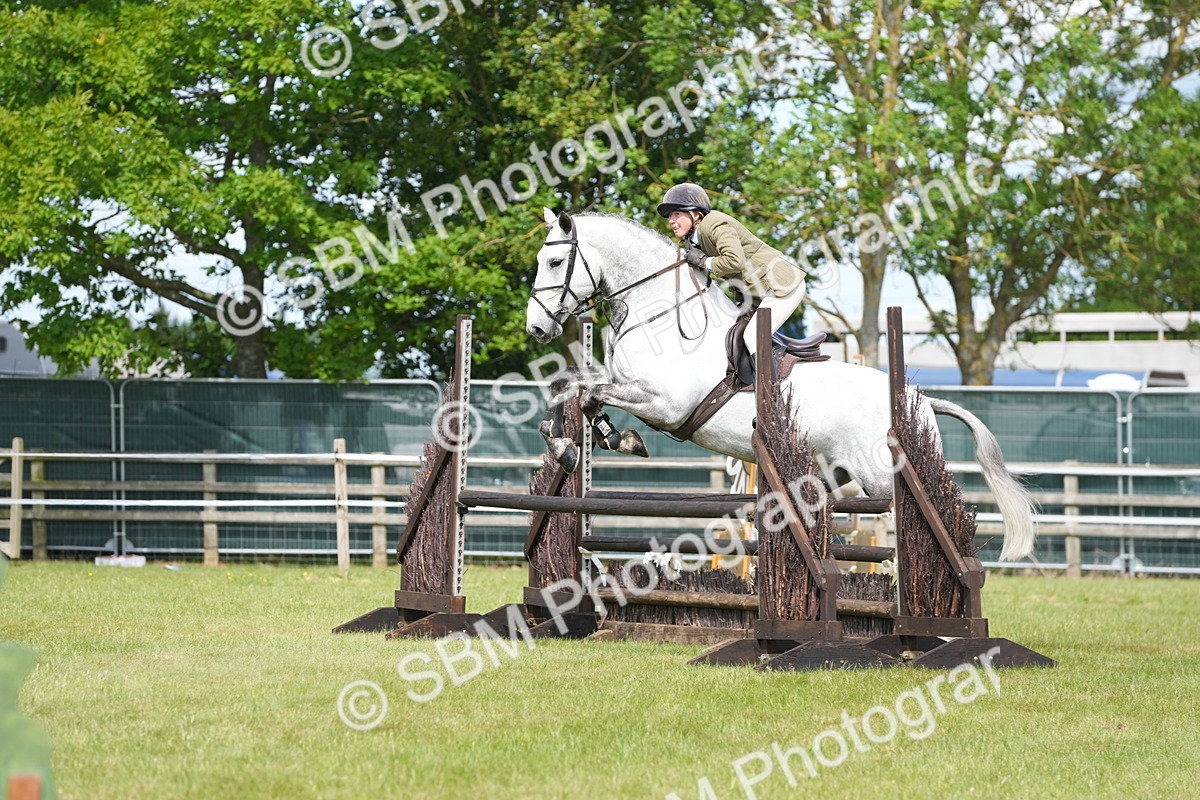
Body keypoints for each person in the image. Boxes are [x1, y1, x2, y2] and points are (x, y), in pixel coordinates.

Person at [657, 182, 807, 354]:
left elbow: (735, 261)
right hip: (756, 294)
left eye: (676, 214)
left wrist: (705, 262)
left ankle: (767, 382)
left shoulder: (715, 223)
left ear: (695, 214)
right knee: (730, 335)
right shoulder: (692, 241)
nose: (671, 221)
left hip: (782, 285)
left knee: (752, 338)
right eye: (669, 216)